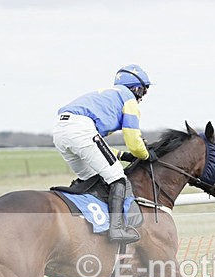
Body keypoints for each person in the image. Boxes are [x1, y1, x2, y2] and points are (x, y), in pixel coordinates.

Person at [53, 64, 156, 243]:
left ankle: (85, 221)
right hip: (80, 130)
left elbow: (96, 145)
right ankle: (116, 229)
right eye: (144, 92)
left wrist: (124, 156)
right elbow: (133, 142)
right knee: (118, 178)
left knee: (92, 178)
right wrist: (145, 155)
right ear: (137, 88)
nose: (143, 98)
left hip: (61, 131)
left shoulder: (109, 95)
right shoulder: (129, 100)